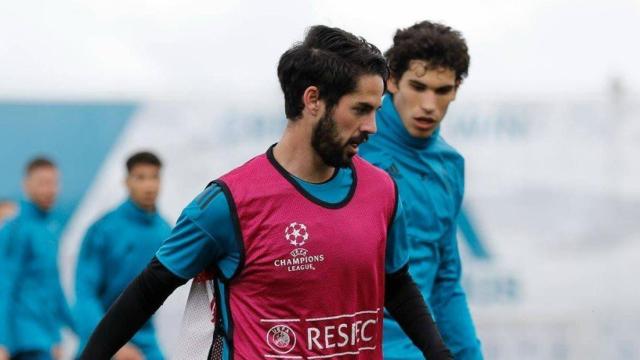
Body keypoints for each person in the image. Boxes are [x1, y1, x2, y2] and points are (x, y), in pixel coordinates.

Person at [79, 25, 452, 360]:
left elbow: (397, 284)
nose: (372, 126)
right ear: (312, 100)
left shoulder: (382, 190)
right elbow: (149, 289)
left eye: (376, 111)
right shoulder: (229, 202)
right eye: (360, 110)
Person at [359, 20, 483, 359]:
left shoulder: (450, 165)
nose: (429, 104)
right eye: (418, 86)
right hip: (349, 346)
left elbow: (445, 278)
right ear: (393, 81)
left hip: (417, 348)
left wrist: (470, 354)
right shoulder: (352, 145)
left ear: (456, 89)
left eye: (442, 90)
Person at [74, 151, 171, 360]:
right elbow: (85, 294)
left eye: (154, 177)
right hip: (101, 339)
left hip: (146, 342)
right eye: (141, 177)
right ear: (126, 182)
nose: (149, 185)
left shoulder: (166, 232)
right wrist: (112, 345)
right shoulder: (103, 230)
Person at [0, 157, 74, 360]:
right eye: (43, 183)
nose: (50, 190)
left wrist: (64, 333)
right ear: (26, 185)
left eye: (54, 183)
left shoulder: (51, 227)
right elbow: (4, 286)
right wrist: (2, 341)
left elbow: (53, 287)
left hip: (46, 339)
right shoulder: (15, 230)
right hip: (24, 341)